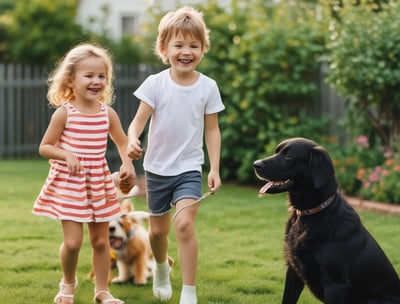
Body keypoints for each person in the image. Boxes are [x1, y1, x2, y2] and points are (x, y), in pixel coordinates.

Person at [127, 6, 225, 304]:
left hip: (189, 169)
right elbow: (138, 123)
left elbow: (212, 130)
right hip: (157, 169)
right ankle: (160, 267)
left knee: (183, 225)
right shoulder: (156, 84)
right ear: (164, 48)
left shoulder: (208, 87)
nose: (186, 51)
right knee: (158, 233)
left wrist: (214, 168)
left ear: (202, 49)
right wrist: (132, 140)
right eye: (179, 45)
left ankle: (189, 292)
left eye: (193, 46)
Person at [33, 42, 135, 304]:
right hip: (71, 184)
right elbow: (45, 147)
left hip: (98, 183)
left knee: (101, 242)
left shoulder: (107, 114)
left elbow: (122, 142)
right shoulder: (64, 113)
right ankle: (68, 283)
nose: (96, 81)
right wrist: (66, 155)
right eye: (88, 75)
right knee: (74, 242)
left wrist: (127, 165)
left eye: (102, 76)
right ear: (71, 79)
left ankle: (102, 291)